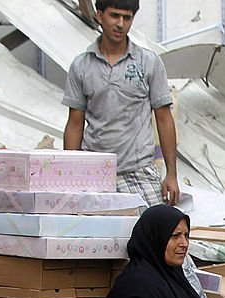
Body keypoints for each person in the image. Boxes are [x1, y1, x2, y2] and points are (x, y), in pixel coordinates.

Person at [63, 0, 179, 208]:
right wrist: (71, 176)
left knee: (152, 236)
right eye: (114, 16)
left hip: (139, 171)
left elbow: (164, 118)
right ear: (99, 15)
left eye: (127, 18)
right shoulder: (81, 65)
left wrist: (171, 174)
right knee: (95, 237)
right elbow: (74, 123)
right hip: (94, 172)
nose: (120, 24)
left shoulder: (148, 62)